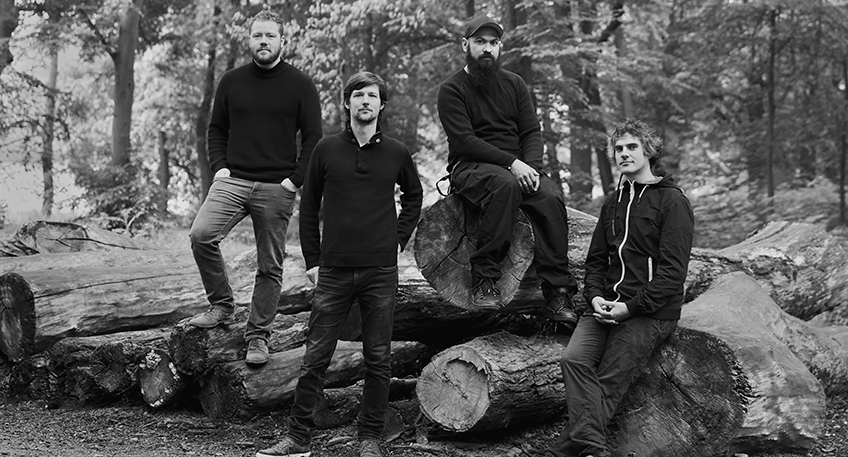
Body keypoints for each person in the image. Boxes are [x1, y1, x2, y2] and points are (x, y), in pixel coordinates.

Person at [256, 71, 423, 457]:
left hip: (380, 271)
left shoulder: (397, 152)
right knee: (315, 357)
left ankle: (370, 438)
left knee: (378, 359)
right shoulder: (326, 149)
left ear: (382, 105)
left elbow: (414, 197)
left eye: (373, 96)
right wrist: (313, 260)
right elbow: (309, 205)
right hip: (333, 270)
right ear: (347, 103)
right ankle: (298, 438)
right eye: (358, 95)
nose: (365, 101)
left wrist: (398, 239)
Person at [538, 119, 695, 457]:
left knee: (608, 381)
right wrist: (595, 296)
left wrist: (631, 307)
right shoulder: (613, 203)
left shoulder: (672, 202)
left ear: (648, 151)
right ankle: (591, 448)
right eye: (619, 148)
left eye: (631, 147)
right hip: (606, 304)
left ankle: (568, 452)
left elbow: (672, 273)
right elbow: (596, 261)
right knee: (573, 360)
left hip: (651, 311)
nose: (624, 153)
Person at [187, 10, 323, 366]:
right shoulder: (231, 81)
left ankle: (258, 336)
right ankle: (221, 305)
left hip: (277, 186)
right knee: (201, 235)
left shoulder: (301, 84)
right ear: (249, 40)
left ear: (282, 41)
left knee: (270, 265)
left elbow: (313, 138)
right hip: (233, 180)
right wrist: (220, 169)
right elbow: (216, 129)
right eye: (258, 35)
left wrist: (294, 180)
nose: (263, 41)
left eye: (270, 36)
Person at [437, 14, 579, 323]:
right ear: (465, 45)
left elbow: (531, 132)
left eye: (494, 42)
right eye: (480, 42)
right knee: (504, 184)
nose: (487, 48)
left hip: (516, 167)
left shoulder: (515, 84)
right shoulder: (451, 89)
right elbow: (465, 141)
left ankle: (557, 292)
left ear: (500, 47)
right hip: (470, 166)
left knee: (550, 195)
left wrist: (531, 169)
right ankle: (485, 279)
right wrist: (513, 164)